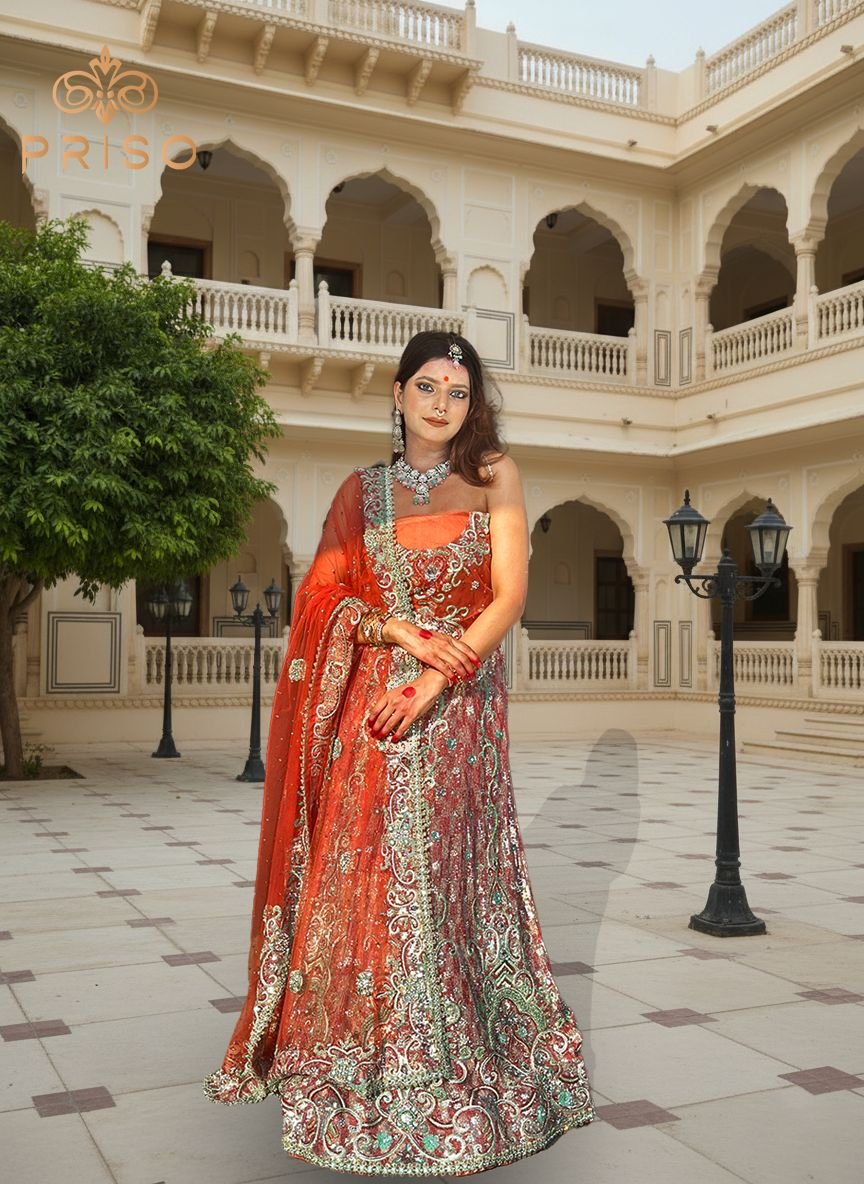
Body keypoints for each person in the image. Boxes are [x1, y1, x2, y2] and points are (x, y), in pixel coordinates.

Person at [203, 330, 595, 1174]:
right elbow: (323, 598)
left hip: (459, 707)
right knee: (367, 875)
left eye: (458, 390)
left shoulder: (495, 475)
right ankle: (360, 1063)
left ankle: (455, 1068)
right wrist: (398, 633)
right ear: (398, 393)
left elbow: (509, 596)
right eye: (427, 386)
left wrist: (434, 678)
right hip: (373, 708)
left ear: (472, 402)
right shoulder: (362, 493)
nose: (441, 403)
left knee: (449, 873)